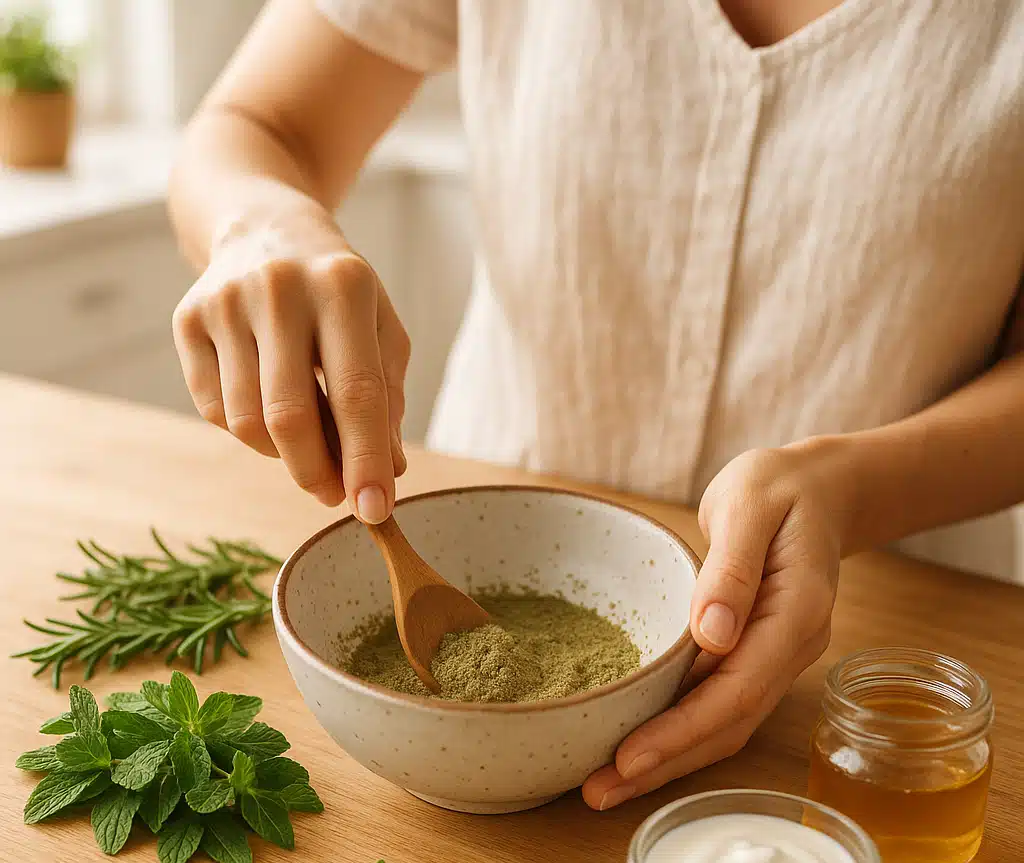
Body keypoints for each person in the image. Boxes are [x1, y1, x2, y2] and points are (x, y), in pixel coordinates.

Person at [168, 0, 1024, 812]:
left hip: (882, 641)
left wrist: (850, 489)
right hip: (473, 495)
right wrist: (258, 226)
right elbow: (257, 128)